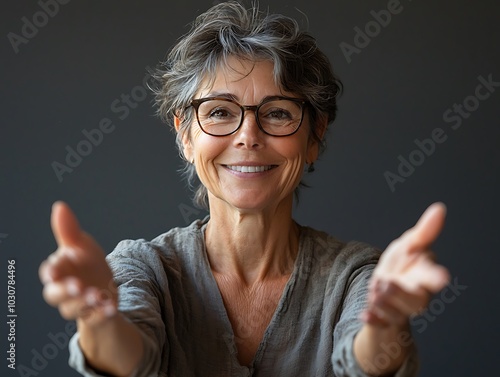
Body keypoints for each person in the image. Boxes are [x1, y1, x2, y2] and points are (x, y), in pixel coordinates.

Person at [39, 2, 450, 376]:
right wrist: (100, 318)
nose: (248, 136)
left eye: (277, 113)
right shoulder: (145, 267)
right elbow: (130, 359)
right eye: (219, 112)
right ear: (185, 135)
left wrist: (383, 322)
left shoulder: (355, 276)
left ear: (314, 136)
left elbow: (363, 362)